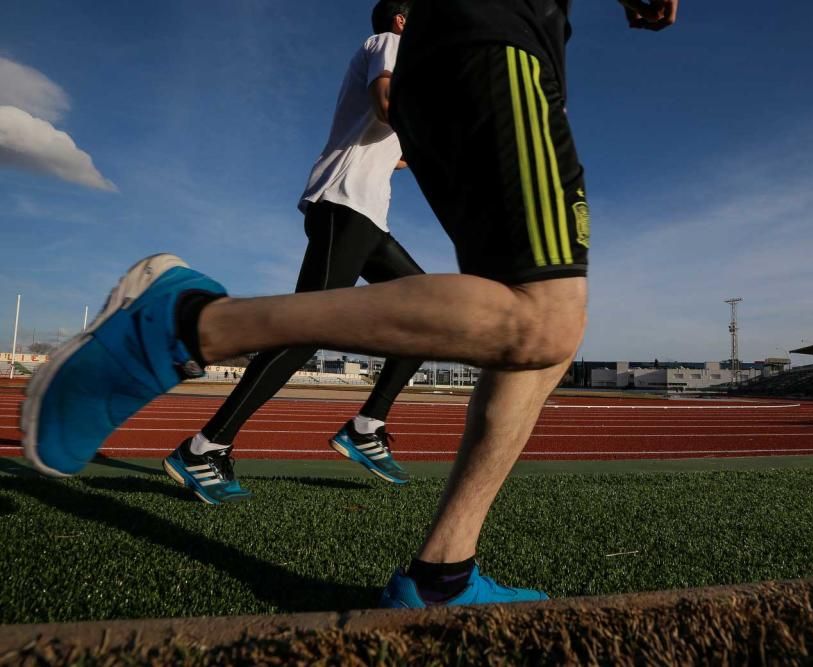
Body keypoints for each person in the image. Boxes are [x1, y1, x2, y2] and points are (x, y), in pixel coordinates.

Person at [21, 0, 678, 607]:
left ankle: (439, 567)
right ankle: (189, 329)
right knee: (542, 315)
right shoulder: (388, 39)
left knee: (512, 325)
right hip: (433, 106)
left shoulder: (409, 43)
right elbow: (388, 100)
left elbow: (395, 121)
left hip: (414, 154)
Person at [161, 0, 423, 505]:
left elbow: (400, 151)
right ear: (402, 20)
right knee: (305, 333)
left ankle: (366, 426)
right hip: (340, 207)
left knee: (426, 314)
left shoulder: (405, 71)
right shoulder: (388, 45)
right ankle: (203, 446)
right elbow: (388, 107)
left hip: (369, 221)